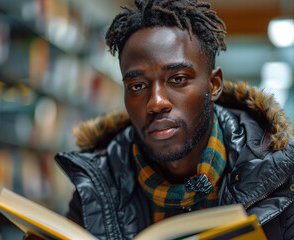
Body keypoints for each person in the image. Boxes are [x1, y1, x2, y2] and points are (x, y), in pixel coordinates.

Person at [24, 0, 294, 239]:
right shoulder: (96, 187)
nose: (156, 103)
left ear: (213, 85)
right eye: (137, 86)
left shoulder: (282, 181)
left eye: (177, 79)